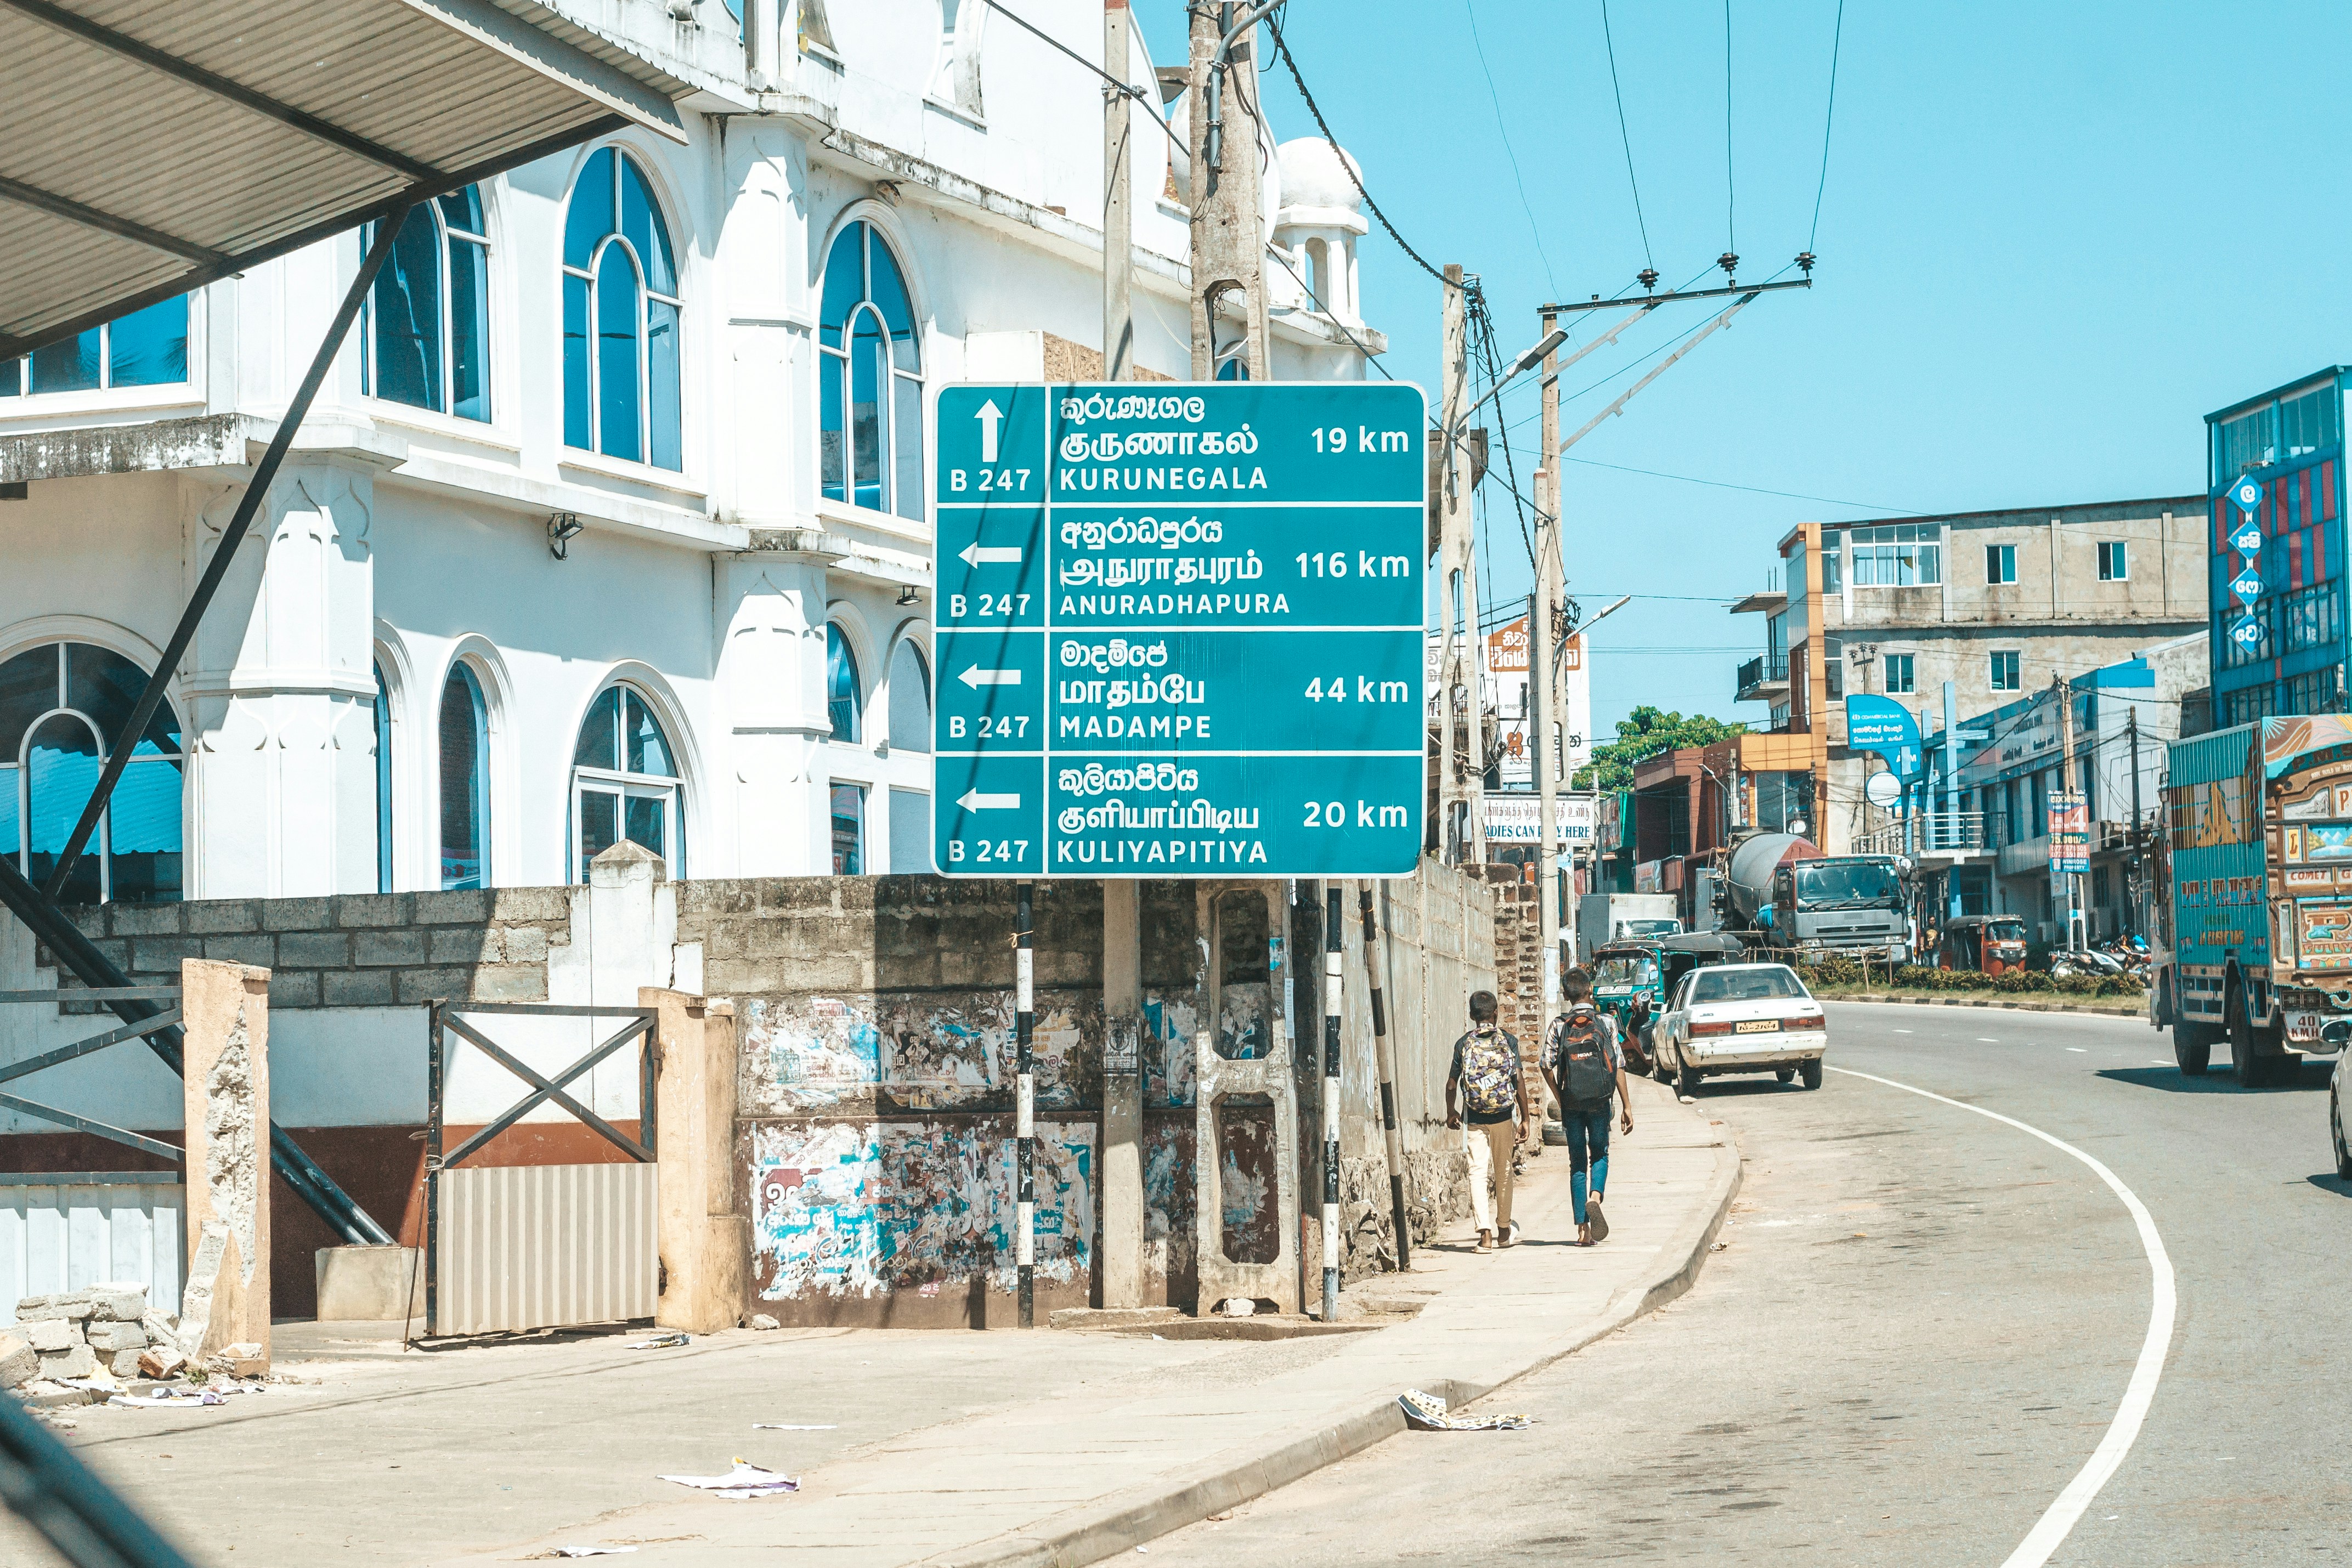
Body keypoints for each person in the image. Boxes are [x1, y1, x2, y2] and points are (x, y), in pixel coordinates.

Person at [1542, 966, 1635, 1247]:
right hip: (1600, 1100)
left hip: (1571, 1102)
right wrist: (1627, 1106)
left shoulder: (1559, 1025)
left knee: (1577, 1163)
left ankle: (1583, 1231)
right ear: (1590, 990)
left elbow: (1545, 1064)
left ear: (1565, 995)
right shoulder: (1606, 1021)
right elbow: (1618, 1064)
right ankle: (1595, 1197)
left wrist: (1560, 1097)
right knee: (1600, 1153)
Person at [1446, 989, 1526, 1253]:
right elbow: (1518, 1080)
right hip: (1503, 1116)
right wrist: (1525, 1118)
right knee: (1504, 1171)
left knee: (1477, 1173)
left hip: (1475, 1117)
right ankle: (1504, 1231)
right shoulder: (1509, 1041)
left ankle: (1485, 1235)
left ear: (1472, 1016)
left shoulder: (1463, 1044)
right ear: (1496, 1013)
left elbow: (1452, 1084)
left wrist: (1451, 1112)